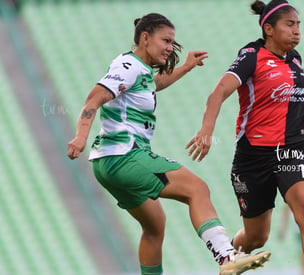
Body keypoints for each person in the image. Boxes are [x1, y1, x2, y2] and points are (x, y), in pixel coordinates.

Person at [67, 13, 270, 275]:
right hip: (125, 156)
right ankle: (226, 256)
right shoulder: (127, 67)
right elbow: (93, 100)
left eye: (172, 42)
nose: (170, 47)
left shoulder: (138, 69)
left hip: (107, 163)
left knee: (155, 226)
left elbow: (154, 83)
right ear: (145, 37)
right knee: (196, 189)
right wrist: (80, 136)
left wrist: (185, 67)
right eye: (166, 40)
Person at [186, 1, 304, 274]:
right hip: (253, 155)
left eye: (298, 24)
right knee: (256, 237)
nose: (297, 30)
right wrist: (206, 130)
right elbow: (218, 92)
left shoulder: (295, 58)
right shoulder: (251, 55)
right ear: (268, 28)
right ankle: (230, 260)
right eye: (289, 25)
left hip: (293, 149)